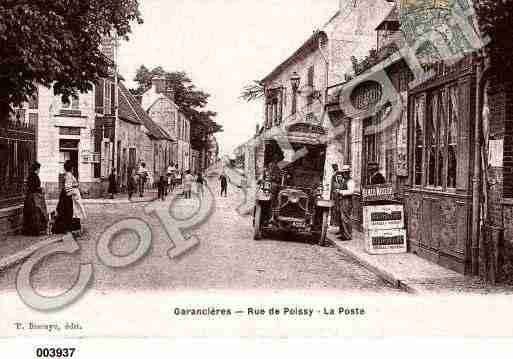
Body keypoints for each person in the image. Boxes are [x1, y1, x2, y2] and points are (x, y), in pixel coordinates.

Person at [54, 160, 87, 236]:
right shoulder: (69, 175)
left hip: (72, 196)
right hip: (71, 197)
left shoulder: (68, 174)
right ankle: (72, 229)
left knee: (74, 212)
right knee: (73, 213)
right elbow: (68, 188)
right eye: (73, 167)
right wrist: (73, 193)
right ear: (71, 168)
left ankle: (73, 229)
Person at [22, 161, 48, 236]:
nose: (39, 170)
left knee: (29, 214)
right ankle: (34, 231)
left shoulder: (30, 176)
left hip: (29, 197)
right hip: (34, 197)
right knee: (35, 213)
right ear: (37, 169)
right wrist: (41, 189)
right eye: (39, 169)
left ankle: (28, 230)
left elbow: (30, 186)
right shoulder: (35, 176)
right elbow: (35, 187)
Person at [336, 164, 354, 241]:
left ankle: (348, 235)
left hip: (347, 200)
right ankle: (343, 234)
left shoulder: (350, 181)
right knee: (342, 218)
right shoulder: (344, 180)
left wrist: (340, 191)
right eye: (343, 173)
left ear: (348, 173)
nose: (344, 174)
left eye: (346, 172)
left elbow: (351, 191)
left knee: (346, 218)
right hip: (342, 200)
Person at [330, 163, 345, 231]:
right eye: (333, 167)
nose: (333, 168)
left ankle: (336, 223)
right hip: (334, 193)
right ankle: (334, 223)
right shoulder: (335, 173)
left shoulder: (338, 174)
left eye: (334, 167)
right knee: (334, 208)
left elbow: (339, 183)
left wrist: (337, 190)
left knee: (337, 208)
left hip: (336, 193)